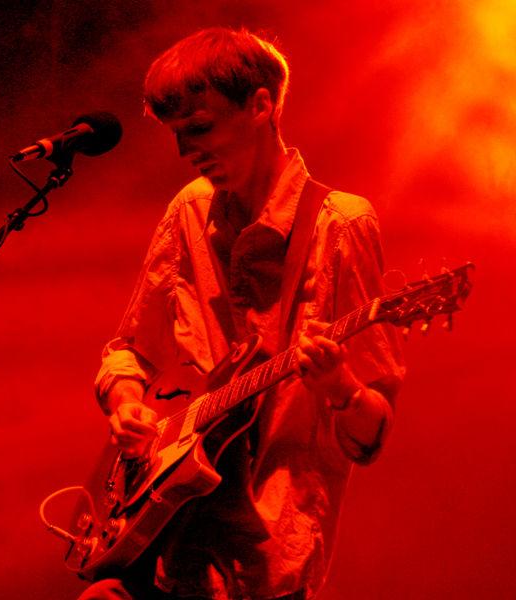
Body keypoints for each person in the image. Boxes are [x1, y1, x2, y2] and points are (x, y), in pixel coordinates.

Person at [79, 27, 405, 600]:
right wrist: (128, 404)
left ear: (260, 105)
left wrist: (341, 388)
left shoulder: (342, 225)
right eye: (178, 137)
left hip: (268, 556)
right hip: (169, 540)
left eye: (200, 128)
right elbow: (128, 351)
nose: (188, 154)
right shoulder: (190, 210)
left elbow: (372, 431)